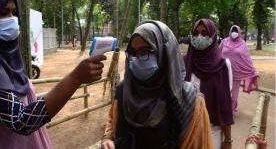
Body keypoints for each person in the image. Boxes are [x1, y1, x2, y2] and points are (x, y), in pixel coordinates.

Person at [0, 0, 106, 148]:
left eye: (14, 13)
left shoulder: (7, 59)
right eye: (3, 13)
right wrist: (75, 78)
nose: (12, 20)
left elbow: (25, 102)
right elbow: (21, 120)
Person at [100, 20, 213, 149]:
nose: (136, 58)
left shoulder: (190, 100)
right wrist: (107, 138)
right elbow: (112, 121)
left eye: (144, 51)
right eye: (132, 52)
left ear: (164, 54)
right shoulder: (123, 90)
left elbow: (199, 144)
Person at [183, 19, 234, 149]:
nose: (200, 37)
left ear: (213, 36)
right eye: (196, 33)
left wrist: (228, 140)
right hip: (186, 130)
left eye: (205, 33)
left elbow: (225, 105)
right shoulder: (183, 62)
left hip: (213, 132)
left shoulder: (223, 65)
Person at [219, 25, 258, 112]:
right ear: (230, 31)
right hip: (223, 71)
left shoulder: (243, 43)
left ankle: (230, 110)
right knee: (223, 92)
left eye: (236, 31)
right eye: (233, 30)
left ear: (239, 33)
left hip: (237, 73)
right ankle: (223, 109)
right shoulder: (224, 41)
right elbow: (218, 53)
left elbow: (247, 58)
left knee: (233, 94)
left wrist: (253, 71)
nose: (234, 33)